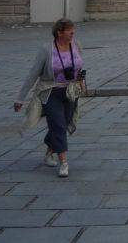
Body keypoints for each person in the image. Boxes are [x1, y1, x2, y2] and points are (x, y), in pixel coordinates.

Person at [14, 19, 84, 178]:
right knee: (58, 125)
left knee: (63, 123)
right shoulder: (46, 50)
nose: (73, 32)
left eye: (73, 29)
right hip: (50, 92)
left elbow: (79, 66)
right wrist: (20, 99)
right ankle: (64, 163)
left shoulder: (76, 45)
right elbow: (33, 74)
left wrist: (81, 81)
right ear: (59, 32)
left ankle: (49, 151)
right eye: (69, 30)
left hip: (71, 91)